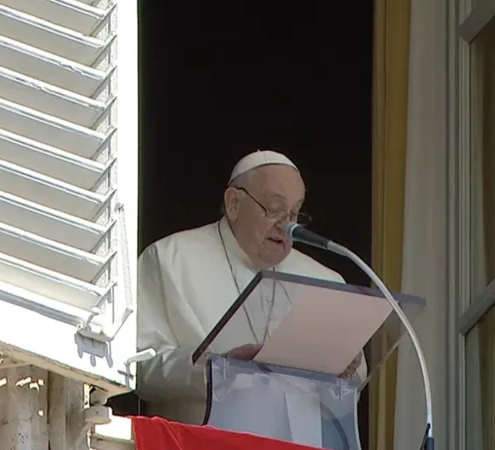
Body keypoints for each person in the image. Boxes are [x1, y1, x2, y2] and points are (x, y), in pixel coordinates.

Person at [136, 150, 367, 427]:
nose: (288, 226)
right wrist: (215, 371)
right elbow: (139, 367)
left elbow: (356, 382)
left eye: (295, 213)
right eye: (274, 209)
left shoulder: (326, 281)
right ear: (233, 203)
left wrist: (343, 374)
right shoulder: (169, 259)